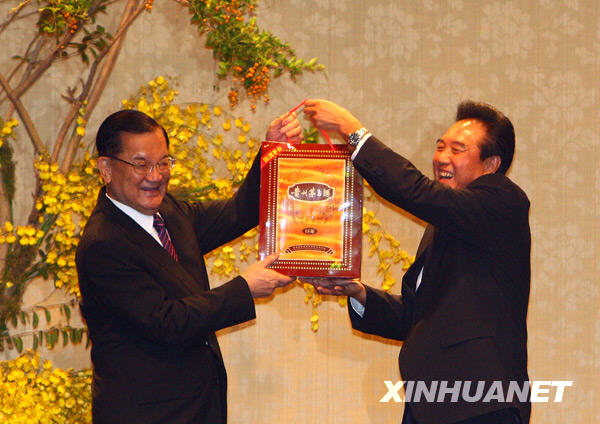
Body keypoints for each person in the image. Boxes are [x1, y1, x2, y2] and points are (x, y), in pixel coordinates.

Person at [303, 99, 530, 424]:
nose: (441, 157)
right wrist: (357, 292)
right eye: (440, 146)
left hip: (478, 403)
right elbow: (416, 317)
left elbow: (416, 191)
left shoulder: (504, 201)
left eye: (457, 149)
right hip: (431, 404)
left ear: (490, 164)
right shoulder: (447, 224)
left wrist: (351, 130)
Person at [76, 109, 301, 424]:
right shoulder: (104, 244)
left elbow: (238, 212)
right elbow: (165, 322)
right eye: (141, 164)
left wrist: (272, 152)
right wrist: (244, 289)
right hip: (149, 414)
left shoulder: (167, 211)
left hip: (199, 406)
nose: (156, 176)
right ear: (106, 169)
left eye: (163, 162)